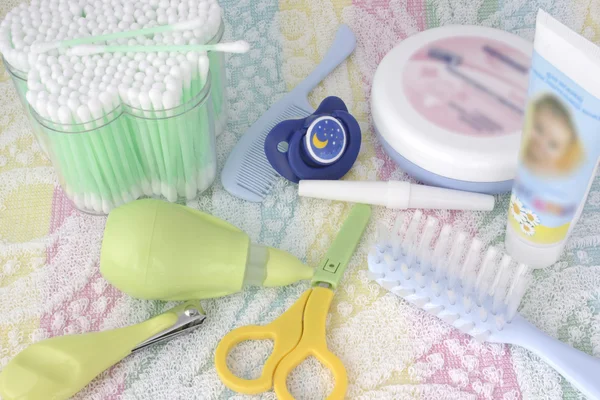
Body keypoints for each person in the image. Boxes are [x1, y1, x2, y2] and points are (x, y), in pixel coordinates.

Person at [521, 94, 584, 176]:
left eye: (553, 144)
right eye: (539, 128)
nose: (541, 143)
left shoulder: (551, 174)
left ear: (563, 154)